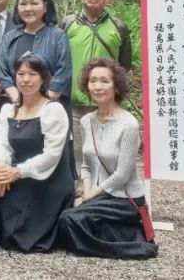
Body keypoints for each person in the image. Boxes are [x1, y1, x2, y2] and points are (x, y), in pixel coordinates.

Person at [57, 58, 157, 259]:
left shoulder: (128, 124)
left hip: (123, 198)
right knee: (59, 211)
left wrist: (88, 198)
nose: (98, 86)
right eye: (93, 81)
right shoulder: (86, 121)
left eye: (104, 81)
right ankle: (113, 237)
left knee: (69, 219)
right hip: (97, 195)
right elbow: (86, 165)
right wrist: (86, 193)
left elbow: (122, 174)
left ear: (116, 86)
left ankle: (132, 248)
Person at [0, 53, 74, 252]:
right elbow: (1, 145)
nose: (26, 79)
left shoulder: (53, 110)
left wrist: (16, 172)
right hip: (19, 171)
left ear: (43, 79)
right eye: (21, 74)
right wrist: (1, 166)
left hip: (48, 177)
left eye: (32, 74)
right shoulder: (9, 110)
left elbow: (52, 155)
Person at [60, 0, 133, 174]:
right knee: (78, 152)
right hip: (75, 101)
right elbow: (59, 58)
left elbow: (124, 64)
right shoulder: (68, 23)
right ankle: (82, 189)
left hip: (107, 103)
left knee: (109, 151)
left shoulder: (118, 26)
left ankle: (108, 188)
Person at [0, 0, 73, 115]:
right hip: (17, 108)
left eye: (34, 3)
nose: (28, 8)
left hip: (51, 109)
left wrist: (42, 103)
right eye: (23, 4)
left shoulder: (57, 36)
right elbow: (4, 74)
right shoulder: (10, 37)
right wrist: (18, 100)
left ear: (45, 7)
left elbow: (63, 74)